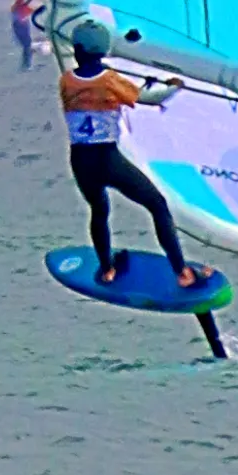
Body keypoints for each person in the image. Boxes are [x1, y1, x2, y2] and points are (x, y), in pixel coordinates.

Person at [60, 20, 212, 290]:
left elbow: (91, 85)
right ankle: (183, 273)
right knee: (157, 205)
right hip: (107, 158)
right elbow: (151, 99)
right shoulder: (109, 80)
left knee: (99, 210)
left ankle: (107, 269)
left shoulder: (67, 81)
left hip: (80, 160)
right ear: (103, 51)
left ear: (77, 49)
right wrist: (174, 86)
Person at [11, 0, 39, 70]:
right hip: (20, 28)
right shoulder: (16, 7)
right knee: (27, 46)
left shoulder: (20, 6)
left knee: (27, 46)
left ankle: (26, 64)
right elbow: (24, 12)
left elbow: (30, 10)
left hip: (23, 28)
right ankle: (27, 64)